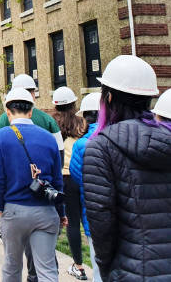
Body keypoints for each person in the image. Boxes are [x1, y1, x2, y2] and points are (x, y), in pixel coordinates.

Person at [83, 55, 171, 281]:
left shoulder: (100, 147)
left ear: (109, 97)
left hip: (131, 269)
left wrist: (105, 266)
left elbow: (101, 220)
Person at [0, 87, 65, 282]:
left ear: (8, 112)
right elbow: (57, 181)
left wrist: (0, 207)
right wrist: (61, 212)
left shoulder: (0, 137)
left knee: (12, 267)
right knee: (47, 270)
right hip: (45, 212)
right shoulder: (48, 138)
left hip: (14, 210)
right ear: (31, 111)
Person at [51, 86, 88, 280]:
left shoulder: (51, 124)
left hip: (62, 177)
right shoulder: (83, 123)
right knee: (88, 221)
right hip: (81, 175)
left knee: (71, 222)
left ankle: (79, 266)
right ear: (74, 103)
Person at [69, 92, 102, 282]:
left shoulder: (81, 144)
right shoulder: (120, 136)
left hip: (93, 210)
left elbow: (77, 176)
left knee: (98, 264)